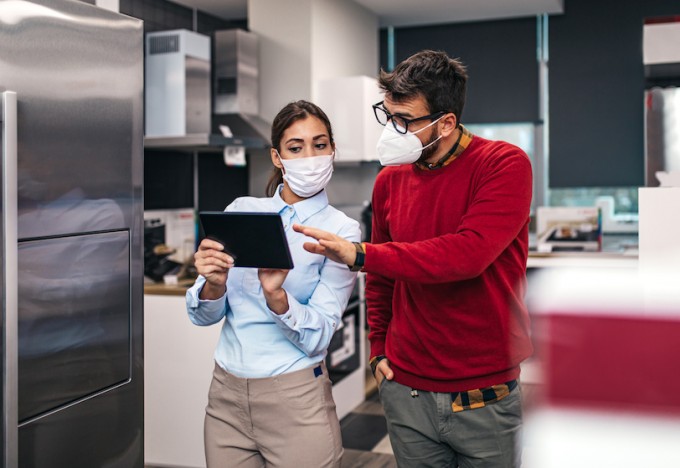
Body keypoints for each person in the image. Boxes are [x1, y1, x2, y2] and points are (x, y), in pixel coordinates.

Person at [294, 50, 533, 468]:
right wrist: (378, 349)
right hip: (406, 390)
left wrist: (359, 253)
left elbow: (466, 254)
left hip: (483, 394)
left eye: (405, 119)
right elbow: (383, 278)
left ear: (445, 123)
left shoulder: (504, 165)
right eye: (388, 116)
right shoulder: (389, 181)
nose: (393, 129)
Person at [186, 100, 361, 468]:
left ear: (332, 151)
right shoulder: (240, 212)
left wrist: (277, 297)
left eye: (320, 144)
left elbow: (320, 336)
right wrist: (212, 285)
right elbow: (203, 317)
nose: (310, 156)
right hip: (225, 398)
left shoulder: (342, 231)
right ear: (277, 158)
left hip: (296, 398)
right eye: (296, 148)